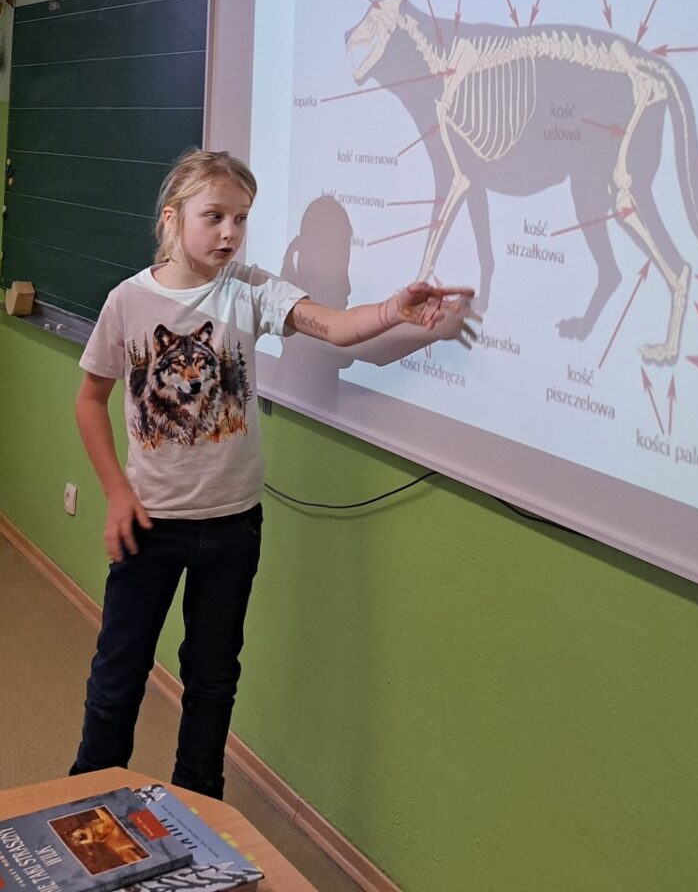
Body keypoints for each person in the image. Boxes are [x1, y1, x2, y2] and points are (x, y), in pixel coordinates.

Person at [68, 150, 472, 797]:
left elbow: (335, 327)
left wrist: (397, 309)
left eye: (241, 218)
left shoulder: (250, 289)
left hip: (232, 526)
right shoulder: (128, 302)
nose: (230, 233)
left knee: (212, 679)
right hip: (151, 523)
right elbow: (90, 401)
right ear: (172, 218)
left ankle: (200, 805)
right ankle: (86, 797)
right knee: (120, 672)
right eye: (214, 216)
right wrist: (117, 492)